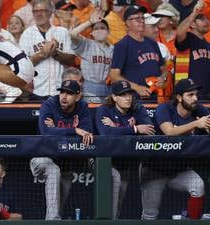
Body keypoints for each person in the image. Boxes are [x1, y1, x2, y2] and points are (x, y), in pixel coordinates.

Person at [140, 78, 210, 220]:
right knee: (150, 215)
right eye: (190, 95)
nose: (195, 98)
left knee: (198, 186)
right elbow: (169, 132)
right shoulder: (164, 108)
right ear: (179, 97)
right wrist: (196, 123)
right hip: (154, 169)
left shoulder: (199, 109)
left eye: (196, 94)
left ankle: (191, 219)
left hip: (178, 168)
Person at [31, 79, 93, 220]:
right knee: (53, 170)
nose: (64, 97)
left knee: (59, 206)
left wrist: (58, 129)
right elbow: (47, 133)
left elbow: (87, 133)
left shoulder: (82, 107)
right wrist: (75, 130)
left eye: (69, 94)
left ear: (78, 96)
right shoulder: (49, 104)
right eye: (62, 92)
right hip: (42, 157)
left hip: (65, 163)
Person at [95, 80, 154, 219]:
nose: (128, 98)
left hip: (126, 162)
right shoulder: (103, 110)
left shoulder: (138, 109)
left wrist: (115, 128)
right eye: (122, 95)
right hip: (105, 161)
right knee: (110, 196)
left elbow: (149, 129)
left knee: (118, 201)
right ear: (114, 97)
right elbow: (105, 134)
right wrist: (134, 129)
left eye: (129, 94)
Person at [19, 0, 76, 100]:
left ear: (51, 12)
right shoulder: (27, 34)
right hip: (36, 92)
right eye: (35, 11)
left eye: (43, 10)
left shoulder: (62, 32)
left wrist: (55, 53)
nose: (39, 14)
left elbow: (71, 60)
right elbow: (22, 65)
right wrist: (42, 54)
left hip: (61, 91)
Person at [109, 5, 166, 98]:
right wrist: (136, 87)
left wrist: (163, 77)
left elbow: (164, 68)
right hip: (134, 98)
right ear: (127, 23)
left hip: (155, 96)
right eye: (137, 18)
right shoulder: (122, 45)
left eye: (142, 18)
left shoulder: (152, 42)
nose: (141, 21)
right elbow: (114, 75)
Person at [175, 0, 210, 100]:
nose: (206, 22)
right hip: (186, 97)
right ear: (192, 24)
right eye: (201, 19)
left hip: (206, 96)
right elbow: (179, 33)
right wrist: (194, 13)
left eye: (207, 19)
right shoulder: (188, 39)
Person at [70, 8, 113, 103]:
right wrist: (90, 22)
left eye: (103, 28)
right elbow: (73, 34)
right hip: (90, 85)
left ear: (108, 32)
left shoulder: (112, 49)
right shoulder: (87, 44)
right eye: (96, 28)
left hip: (106, 86)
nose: (99, 30)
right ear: (91, 33)